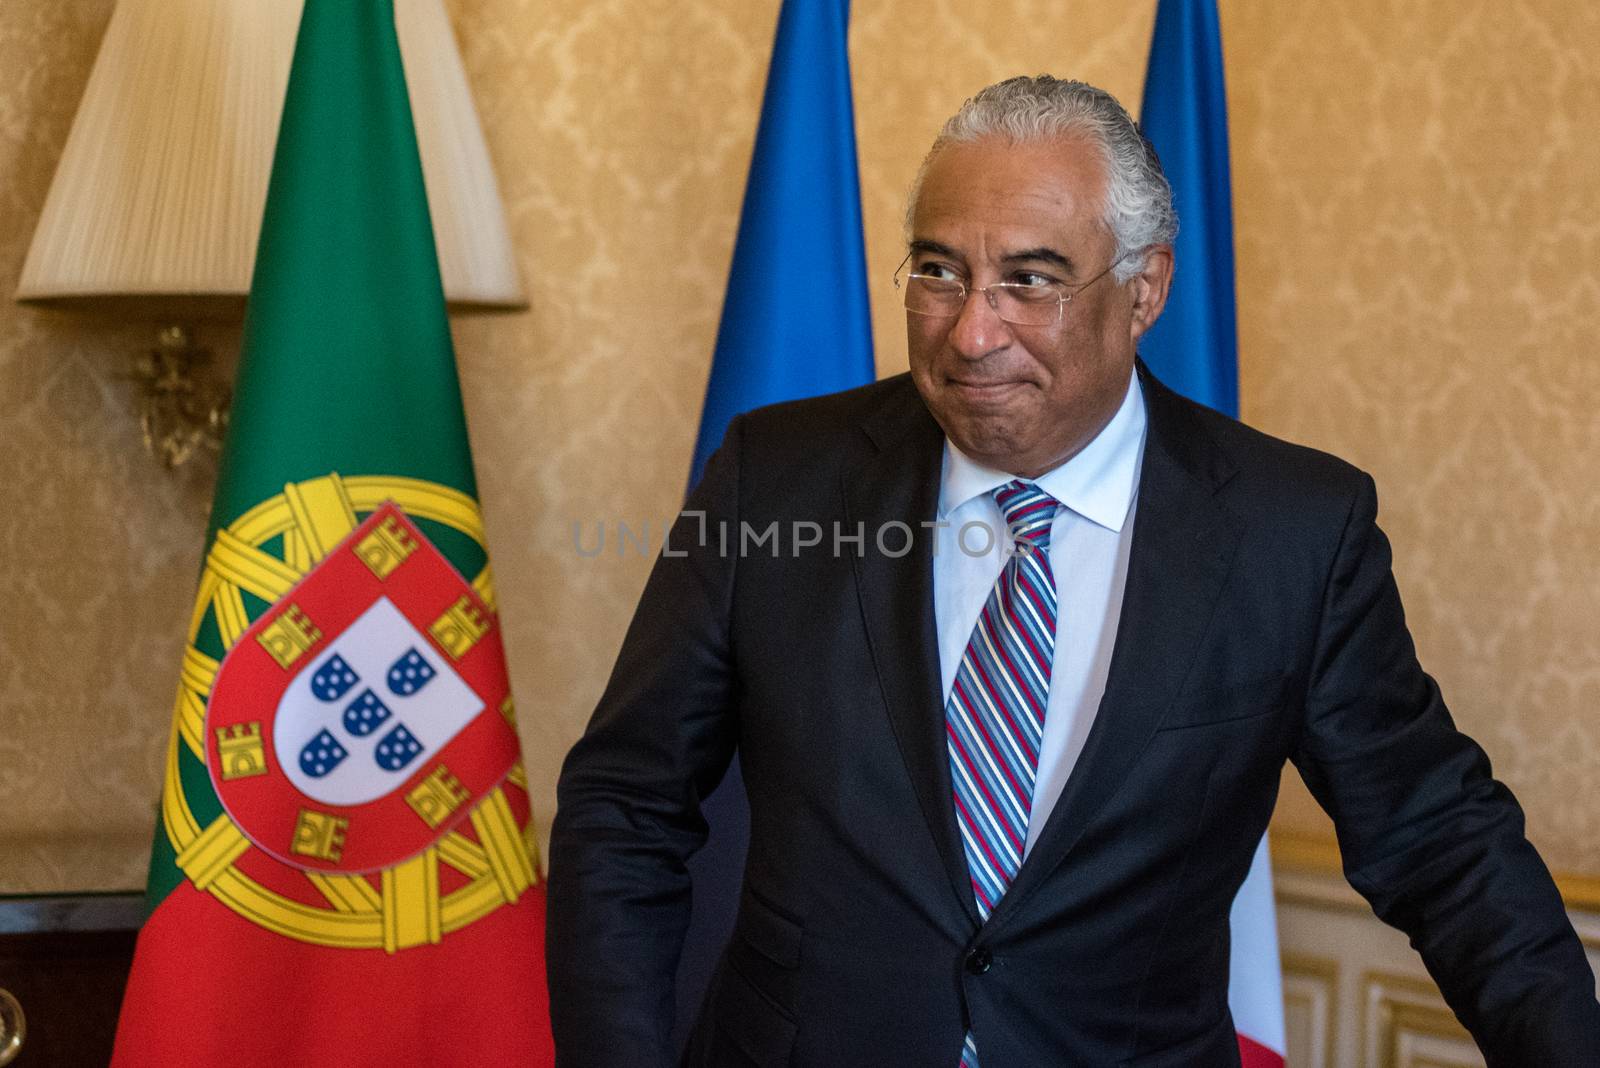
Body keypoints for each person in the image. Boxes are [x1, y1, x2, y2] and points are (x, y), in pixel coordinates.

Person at [546, 76, 1600, 1067]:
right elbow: (626, 805)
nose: (970, 331)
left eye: (1029, 281)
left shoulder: (1292, 532)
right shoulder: (773, 478)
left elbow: (1439, 841)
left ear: (1143, 290)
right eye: (938, 270)